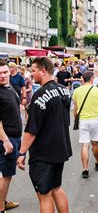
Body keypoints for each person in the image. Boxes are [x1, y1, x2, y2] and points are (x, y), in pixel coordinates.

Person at [16, 57, 72, 213]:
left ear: (43, 71)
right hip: (60, 147)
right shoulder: (63, 90)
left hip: (44, 152)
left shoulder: (40, 94)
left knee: (44, 194)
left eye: (33, 70)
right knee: (56, 188)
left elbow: (32, 130)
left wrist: (21, 153)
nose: (31, 74)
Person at [72, 71, 98, 179]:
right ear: (91, 79)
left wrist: (76, 119)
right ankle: (97, 161)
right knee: (95, 143)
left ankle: (85, 168)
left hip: (83, 120)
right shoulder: (97, 91)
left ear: (82, 79)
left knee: (85, 144)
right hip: (94, 119)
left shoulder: (77, 91)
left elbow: (75, 109)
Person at [0, 60, 22, 212]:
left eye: (5, 72)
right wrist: (6, 141)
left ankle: (3, 201)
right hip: (6, 139)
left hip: (14, 137)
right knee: (6, 174)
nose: (2, 76)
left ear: (10, 72)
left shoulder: (10, 87)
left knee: (7, 173)